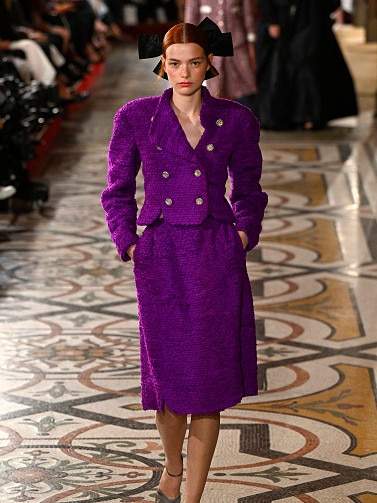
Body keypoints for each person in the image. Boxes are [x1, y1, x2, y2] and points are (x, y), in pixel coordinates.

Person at [101, 18, 267, 503]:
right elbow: (116, 191)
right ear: (162, 66)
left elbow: (251, 191)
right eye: (174, 64)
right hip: (162, 258)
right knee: (170, 385)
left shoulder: (236, 119)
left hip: (216, 257)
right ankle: (172, 467)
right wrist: (129, 242)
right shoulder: (134, 117)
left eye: (194, 63)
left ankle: (191, 496)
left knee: (208, 384)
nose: (184, 73)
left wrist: (241, 235)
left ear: (208, 63)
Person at [255, 0, 358, 130]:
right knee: (284, 68)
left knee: (307, 65)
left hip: (310, 19)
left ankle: (308, 115)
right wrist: (271, 20)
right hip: (284, 21)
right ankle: (290, 114)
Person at [184, 0, 258, 114]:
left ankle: (238, 124)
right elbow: (191, 16)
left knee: (242, 88)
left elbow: (248, 15)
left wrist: (251, 46)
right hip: (208, 46)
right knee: (213, 90)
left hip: (237, 45)